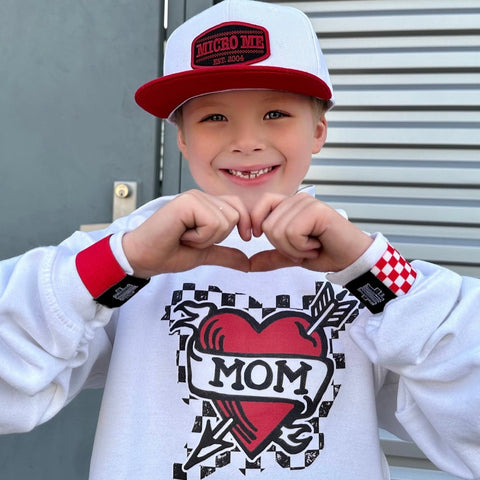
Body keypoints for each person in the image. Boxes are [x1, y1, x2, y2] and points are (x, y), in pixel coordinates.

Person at [0, 1, 479, 479]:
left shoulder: (367, 269)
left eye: (275, 112)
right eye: (214, 118)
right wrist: (122, 261)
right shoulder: (127, 254)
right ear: (182, 139)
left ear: (318, 131)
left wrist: (376, 273)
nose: (246, 141)